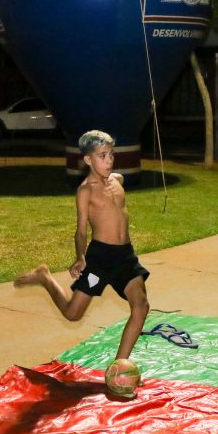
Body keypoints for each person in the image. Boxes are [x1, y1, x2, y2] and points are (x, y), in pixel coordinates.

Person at [15, 130, 150, 362]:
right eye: (102, 156)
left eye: (111, 154)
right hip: (100, 257)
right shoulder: (85, 191)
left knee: (141, 307)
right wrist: (81, 257)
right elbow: (81, 230)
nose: (109, 160)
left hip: (125, 256)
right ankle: (45, 277)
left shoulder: (118, 181)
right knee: (72, 314)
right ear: (88, 159)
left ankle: (119, 366)